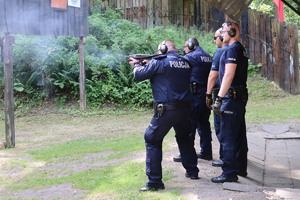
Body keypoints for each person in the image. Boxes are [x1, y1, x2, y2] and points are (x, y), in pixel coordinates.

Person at [129, 40, 199, 191]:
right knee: (184, 138)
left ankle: (154, 182)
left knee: (151, 138)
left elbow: (139, 75)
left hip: (167, 110)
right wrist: (150, 63)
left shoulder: (159, 61)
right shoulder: (185, 61)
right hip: (185, 108)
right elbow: (168, 70)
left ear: (163, 48)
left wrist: (136, 65)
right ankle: (192, 171)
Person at [211, 21, 249, 183]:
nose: (221, 35)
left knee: (228, 136)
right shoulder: (239, 48)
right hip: (238, 98)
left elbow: (228, 75)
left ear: (233, 32)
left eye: (224, 32)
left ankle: (229, 173)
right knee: (239, 134)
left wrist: (219, 97)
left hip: (231, 99)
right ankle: (239, 167)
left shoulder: (232, 49)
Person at [173, 38, 213, 162]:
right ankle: (206, 151)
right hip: (205, 93)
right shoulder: (207, 56)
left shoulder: (193, 56)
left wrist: (170, 52)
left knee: (190, 125)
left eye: (185, 47)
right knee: (204, 124)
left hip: (195, 95)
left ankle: (187, 154)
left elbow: (176, 61)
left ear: (191, 46)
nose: (185, 50)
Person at [206, 28, 229, 167]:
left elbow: (213, 75)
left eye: (215, 38)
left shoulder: (220, 52)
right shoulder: (232, 50)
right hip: (231, 94)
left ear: (221, 37)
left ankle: (225, 158)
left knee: (221, 127)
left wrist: (208, 94)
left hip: (220, 93)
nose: (214, 40)